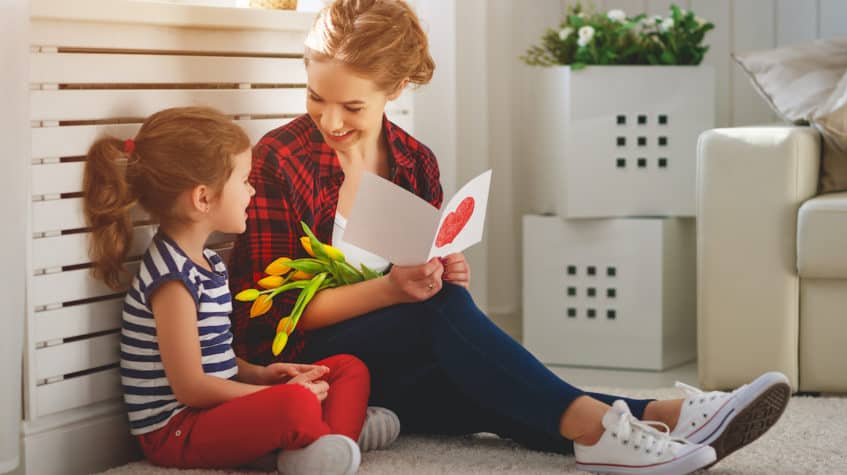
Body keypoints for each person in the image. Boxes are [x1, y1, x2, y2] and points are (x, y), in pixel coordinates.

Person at [227, 2, 792, 474]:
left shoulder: (413, 162)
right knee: (450, 322)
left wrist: (440, 269)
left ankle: (660, 421)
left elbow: (416, 274)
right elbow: (270, 318)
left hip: (388, 372)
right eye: (315, 98)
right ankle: (614, 428)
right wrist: (397, 292)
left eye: (352, 106)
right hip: (311, 366)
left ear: (395, 88)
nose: (330, 121)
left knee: (490, 380)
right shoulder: (281, 161)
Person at [82, 106, 399, 475]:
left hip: (215, 412)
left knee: (347, 369)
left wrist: (263, 375)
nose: (252, 190)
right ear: (203, 198)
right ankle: (331, 436)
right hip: (179, 431)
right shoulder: (171, 280)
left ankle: (325, 443)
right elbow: (192, 388)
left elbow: (217, 359)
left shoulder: (210, 263)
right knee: (293, 406)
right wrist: (275, 396)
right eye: (245, 180)